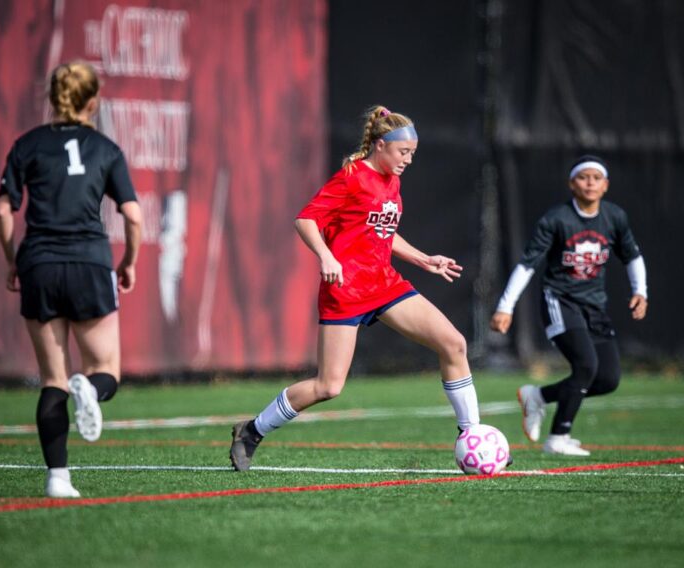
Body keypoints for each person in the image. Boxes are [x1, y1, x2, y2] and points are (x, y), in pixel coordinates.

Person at [230, 105, 483, 471]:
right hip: (345, 290)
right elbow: (306, 220)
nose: (408, 160)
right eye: (403, 152)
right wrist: (325, 256)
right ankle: (251, 431)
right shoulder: (351, 176)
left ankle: (470, 436)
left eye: (413, 153)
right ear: (380, 145)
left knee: (454, 343)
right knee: (328, 387)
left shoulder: (391, 179)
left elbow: (382, 231)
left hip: (383, 285)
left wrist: (424, 259)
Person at [0, 61, 142, 496]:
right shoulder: (105, 148)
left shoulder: (27, 145)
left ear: (52, 97)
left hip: (39, 262)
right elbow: (132, 216)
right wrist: (129, 261)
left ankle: (58, 478)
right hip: (89, 263)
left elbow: (4, 209)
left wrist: (12, 260)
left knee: (52, 379)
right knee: (106, 372)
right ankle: (91, 391)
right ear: (92, 102)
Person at [490, 155, 648, 456]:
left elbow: (632, 256)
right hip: (559, 300)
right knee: (586, 365)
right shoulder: (557, 219)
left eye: (596, 178)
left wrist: (641, 291)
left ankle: (537, 396)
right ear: (571, 184)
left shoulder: (614, 217)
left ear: (605, 185)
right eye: (583, 177)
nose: (590, 183)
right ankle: (558, 437)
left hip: (594, 305)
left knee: (607, 378)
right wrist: (505, 306)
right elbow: (528, 264)